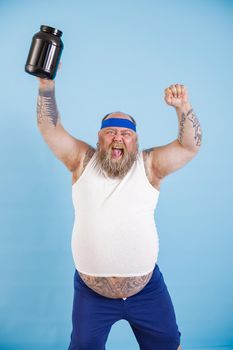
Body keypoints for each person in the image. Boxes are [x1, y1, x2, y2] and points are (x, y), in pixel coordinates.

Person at [36, 75, 202, 350]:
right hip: (92, 295)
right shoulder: (81, 161)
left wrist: (182, 107)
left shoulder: (149, 166)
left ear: (135, 143)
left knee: (169, 345)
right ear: (100, 139)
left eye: (126, 133)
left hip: (147, 291)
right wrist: (45, 86)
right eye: (110, 132)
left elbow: (189, 146)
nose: (118, 137)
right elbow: (50, 129)